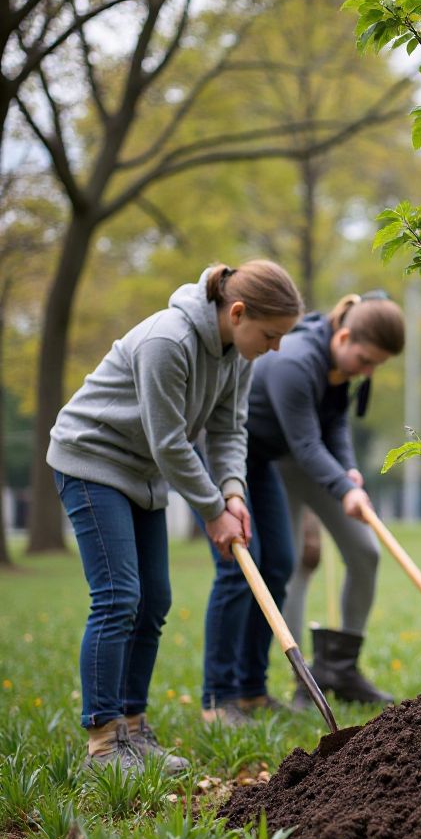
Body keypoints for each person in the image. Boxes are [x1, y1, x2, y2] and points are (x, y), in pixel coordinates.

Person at [48, 261, 302, 771]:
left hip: (142, 472)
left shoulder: (238, 353)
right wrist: (212, 511)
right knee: (119, 597)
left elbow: (230, 430)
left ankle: (134, 731)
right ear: (237, 312)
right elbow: (169, 442)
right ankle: (102, 740)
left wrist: (232, 494)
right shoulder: (168, 342)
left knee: (155, 599)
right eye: (271, 335)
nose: (274, 348)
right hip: (92, 461)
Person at [201, 292, 404, 721]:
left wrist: (348, 471)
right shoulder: (294, 361)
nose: (367, 372)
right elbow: (306, 442)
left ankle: (316, 674)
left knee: (322, 557)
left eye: (375, 366)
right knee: (263, 567)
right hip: (249, 458)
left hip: (287, 458)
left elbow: (334, 422)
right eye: (365, 360)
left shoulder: (340, 363)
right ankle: (248, 691)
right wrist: (342, 488)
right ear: (344, 335)